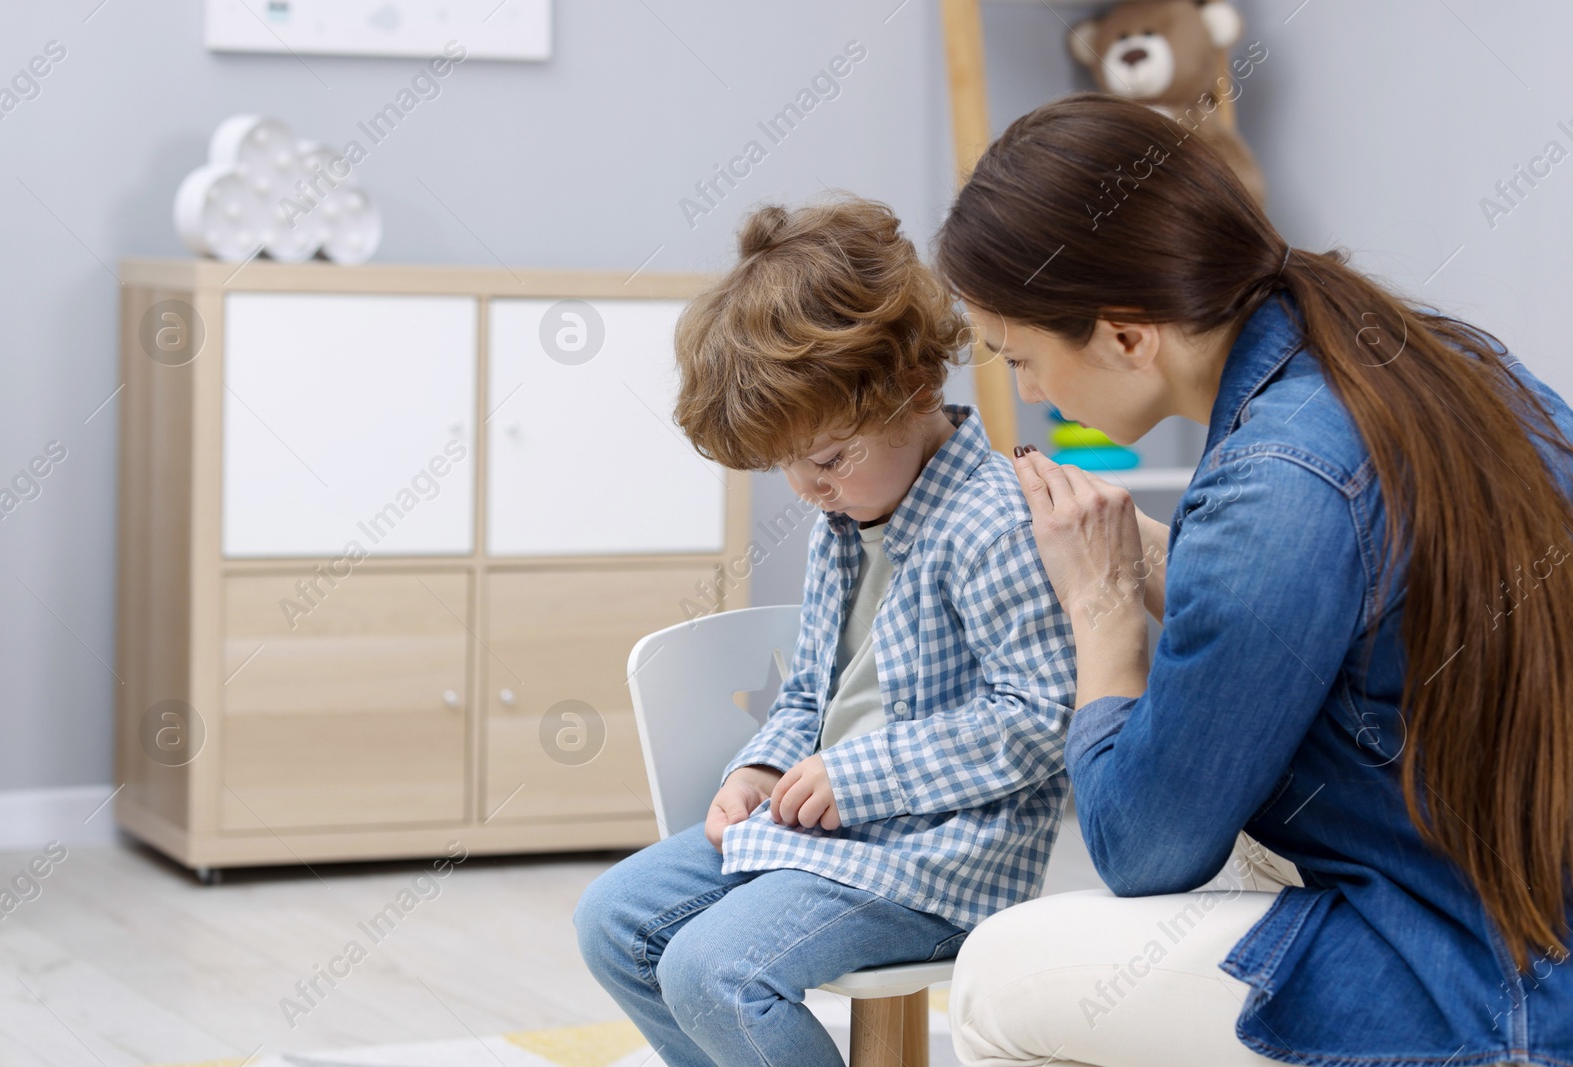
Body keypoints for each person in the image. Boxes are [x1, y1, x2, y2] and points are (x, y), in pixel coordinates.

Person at [935, 91, 1573, 1067]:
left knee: (998, 973)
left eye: (1021, 356)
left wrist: (1102, 611)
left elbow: (1146, 845)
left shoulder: (1276, 480)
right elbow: (1320, 600)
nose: (1028, 392)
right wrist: (1140, 552)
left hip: (1477, 973)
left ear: (1125, 335)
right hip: (1520, 908)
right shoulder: (1416, 355)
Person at [572, 195, 1081, 1067]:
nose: (808, 491)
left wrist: (857, 773)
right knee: (613, 921)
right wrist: (759, 767)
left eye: (827, 460)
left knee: (713, 968)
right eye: (789, 470)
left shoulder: (993, 521)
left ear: (914, 388)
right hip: (829, 835)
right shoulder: (841, 524)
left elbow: (1043, 716)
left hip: (938, 859)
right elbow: (813, 690)